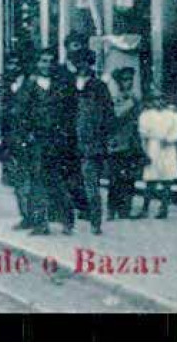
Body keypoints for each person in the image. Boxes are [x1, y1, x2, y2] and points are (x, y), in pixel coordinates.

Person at [23, 48, 73, 235]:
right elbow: (22, 111)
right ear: (37, 63)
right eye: (43, 61)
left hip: (56, 139)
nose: (46, 65)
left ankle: (67, 220)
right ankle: (40, 223)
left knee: (58, 180)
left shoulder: (61, 85)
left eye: (50, 61)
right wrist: (27, 133)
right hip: (37, 138)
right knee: (37, 180)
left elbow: (68, 111)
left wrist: (64, 134)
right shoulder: (30, 85)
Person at [71, 50, 113, 235]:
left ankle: (95, 221)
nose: (82, 66)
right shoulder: (68, 85)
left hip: (91, 144)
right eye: (79, 62)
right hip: (70, 143)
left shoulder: (99, 87)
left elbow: (108, 116)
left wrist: (101, 139)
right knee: (71, 184)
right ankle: (72, 218)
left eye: (86, 62)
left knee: (91, 185)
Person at [106, 66, 144, 220]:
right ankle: (111, 209)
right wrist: (131, 103)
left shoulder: (135, 98)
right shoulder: (116, 98)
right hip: (117, 143)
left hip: (132, 143)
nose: (128, 83)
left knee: (129, 178)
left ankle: (125, 209)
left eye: (130, 80)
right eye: (125, 79)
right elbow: (116, 115)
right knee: (115, 179)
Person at [138, 92, 177, 219]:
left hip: (168, 148)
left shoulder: (172, 115)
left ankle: (164, 208)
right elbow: (142, 134)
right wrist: (144, 151)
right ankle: (145, 208)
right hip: (153, 147)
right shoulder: (146, 115)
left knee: (167, 178)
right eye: (155, 100)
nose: (158, 102)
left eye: (161, 99)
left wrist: (170, 139)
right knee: (150, 179)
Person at [0, 54, 31, 227]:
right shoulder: (6, 86)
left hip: (25, 137)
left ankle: (33, 216)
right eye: (9, 63)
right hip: (10, 139)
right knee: (16, 181)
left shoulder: (29, 84)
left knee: (28, 179)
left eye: (16, 63)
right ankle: (25, 216)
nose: (12, 67)